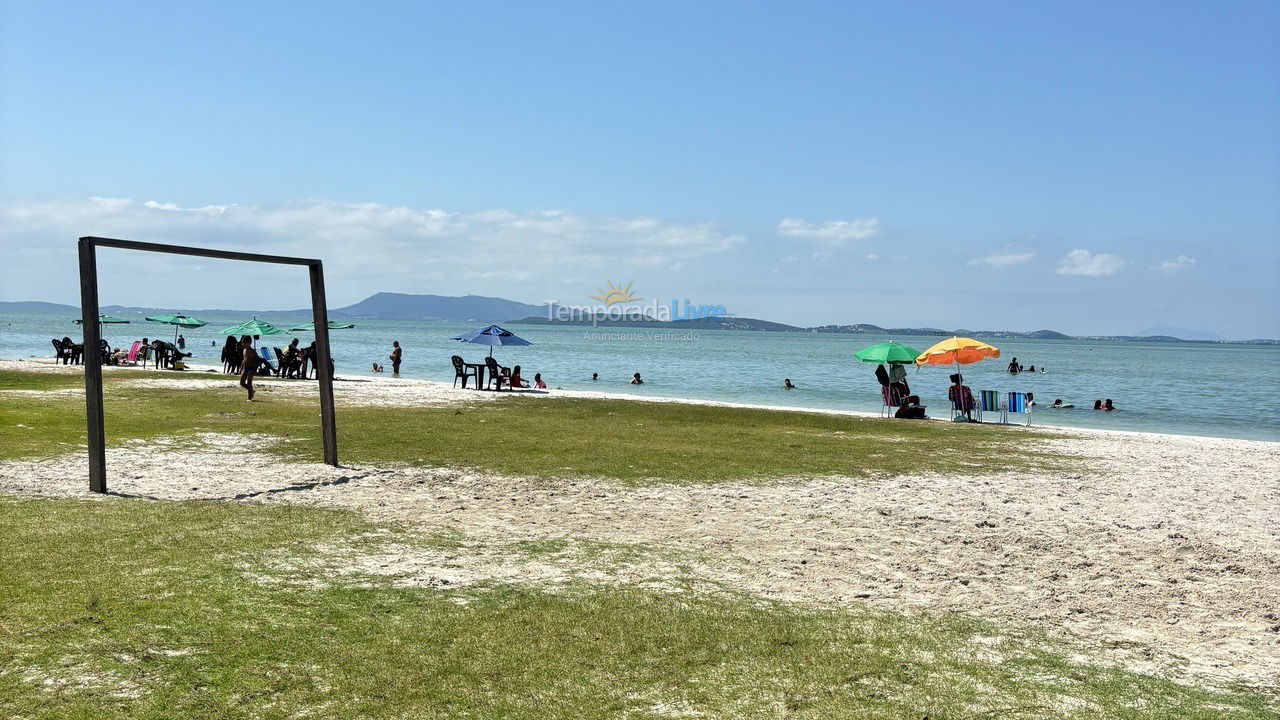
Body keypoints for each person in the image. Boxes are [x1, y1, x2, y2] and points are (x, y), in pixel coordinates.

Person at [239, 336, 259, 401]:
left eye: (244, 343)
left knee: (249, 383)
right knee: (242, 383)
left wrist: (255, 370)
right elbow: (244, 360)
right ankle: (252, 391)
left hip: (251, 368)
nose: (242, 344)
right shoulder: (244, 350)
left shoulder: (252, 351)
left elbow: (257, 360)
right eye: (242, 342)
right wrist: (240, 368)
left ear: (249, 343)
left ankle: (249, 398)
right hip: (245, 368)